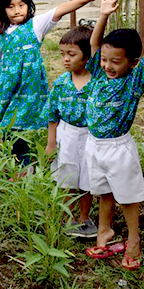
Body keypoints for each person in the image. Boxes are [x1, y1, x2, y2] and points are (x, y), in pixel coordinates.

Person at [84, 0, 144, 271]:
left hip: (118, 148)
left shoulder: (134, 82)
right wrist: (103, 15)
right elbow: (95, 44)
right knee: (103, 190)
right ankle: (104, 232)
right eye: (106, 60)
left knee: (127, 196)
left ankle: (134, 240)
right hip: (94, 145)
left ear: (131, 63)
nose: (108, 66)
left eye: (116, 62)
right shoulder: (98, 73)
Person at [0, 0, 102, 163]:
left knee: (19, 126)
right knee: (7, 125)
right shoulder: (2, 34)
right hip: (7, 88)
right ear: (4, 10)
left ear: (28, 6)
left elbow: (60, 10)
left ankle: (25, 164)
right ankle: (14, 162)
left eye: (21, 5)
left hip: (28, 88)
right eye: (10, 7)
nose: (17, 10)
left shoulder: (35, 25)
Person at [43, 25, 99, 238]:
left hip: (89, 136)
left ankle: (84, 217)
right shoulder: (60, 84)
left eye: (72, 54)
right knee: (67, 179)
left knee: (86, 178)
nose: (65, 59)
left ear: (87, 57)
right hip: (66, 134)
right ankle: (68, 217)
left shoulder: (96, 83)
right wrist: (51, 142)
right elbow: (52, 115)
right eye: (62, 54)